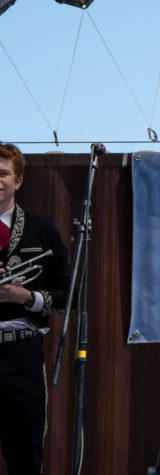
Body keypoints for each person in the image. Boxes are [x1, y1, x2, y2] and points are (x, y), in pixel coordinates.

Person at [0, 143, 71, 474]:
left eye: (3, 173)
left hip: (22, 355)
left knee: (25, 455)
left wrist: (26, 297)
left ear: (18, 181)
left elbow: (67, 294)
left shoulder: (41, 229)